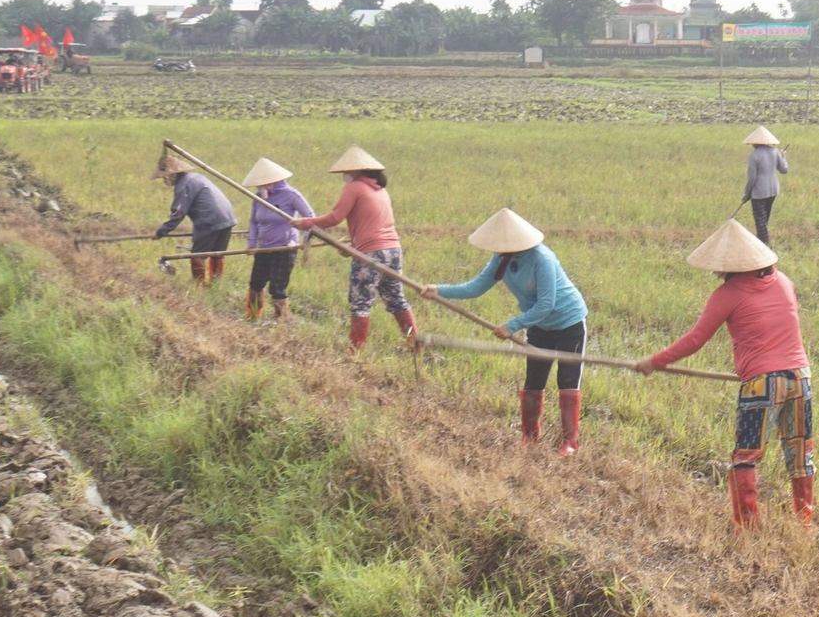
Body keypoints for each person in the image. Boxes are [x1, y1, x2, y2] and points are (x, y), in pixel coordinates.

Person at [634, 220, 813, 527]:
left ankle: (747, 527)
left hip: (762, 384)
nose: (715, 272)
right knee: (800, 456)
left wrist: (655, 361)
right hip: (800, 377)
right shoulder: (784, 281)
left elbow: (695, 340)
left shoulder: (727, 294)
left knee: (745, 456)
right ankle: (805, 523)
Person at [436, 208, 590, 455]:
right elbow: (475, 287)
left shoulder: (542, 259)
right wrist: (438, 290)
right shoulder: (501, 259)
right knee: (534, 381)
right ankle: (530, 437)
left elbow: (546, 304)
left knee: (567, 380)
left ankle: (569, 443)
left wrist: (512, 326)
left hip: (568, 323)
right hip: (539, 326)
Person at [292, 146, 417, 354]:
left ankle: (356, 350)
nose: (344, 176)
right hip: (393, 251)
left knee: (360, 302)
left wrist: (305, 223)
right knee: (396, 298)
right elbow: (373, 224)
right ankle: (415, 342)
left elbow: (334, 218)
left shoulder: (355, 188)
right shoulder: (380, 189)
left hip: (371, 253)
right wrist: (353, 247)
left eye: (345, 172)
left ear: (355, 172)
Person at [240, 156, 313, 324]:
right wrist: (251, 242)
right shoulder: (258, 197)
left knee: (277, 288)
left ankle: (280, 324)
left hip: (284, 249)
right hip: (263, 248)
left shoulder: (291, 195)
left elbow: (309, 217)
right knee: (256, 284)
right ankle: (252, 318)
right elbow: (253, 221)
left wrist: (305, 241)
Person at [153, 153, 237, 285]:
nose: (165, 180)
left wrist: (160, 232)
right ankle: (216, 284)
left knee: (197, 255)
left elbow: (178, 213)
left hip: (210, 219)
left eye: (166, 176)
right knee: (217, 253)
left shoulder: (184, 185)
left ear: (173, 174)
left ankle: (199, 285)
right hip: (227, 217)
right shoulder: (196, 177)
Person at [740, 126, 789, 245]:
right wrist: (783, 157)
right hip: (773, 191)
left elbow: (752, 178)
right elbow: (784, 170)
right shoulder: (775, 151)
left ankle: (764, 244)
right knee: (764, 219)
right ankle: (762, 242)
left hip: (759, 192)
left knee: (760, 221)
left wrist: (747, 194)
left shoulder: (754, 155)